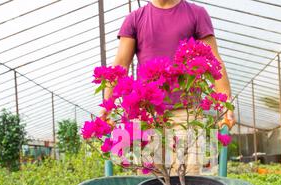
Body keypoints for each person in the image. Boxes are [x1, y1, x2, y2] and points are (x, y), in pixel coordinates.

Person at [101, 0, 236, 174]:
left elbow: (213, 60)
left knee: (188, 180)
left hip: (187, 114)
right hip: (146, 114)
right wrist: (107, 105)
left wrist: (226, 102)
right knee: (149, 180)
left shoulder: (196, 13)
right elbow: (120, 65)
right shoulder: (135, 19)